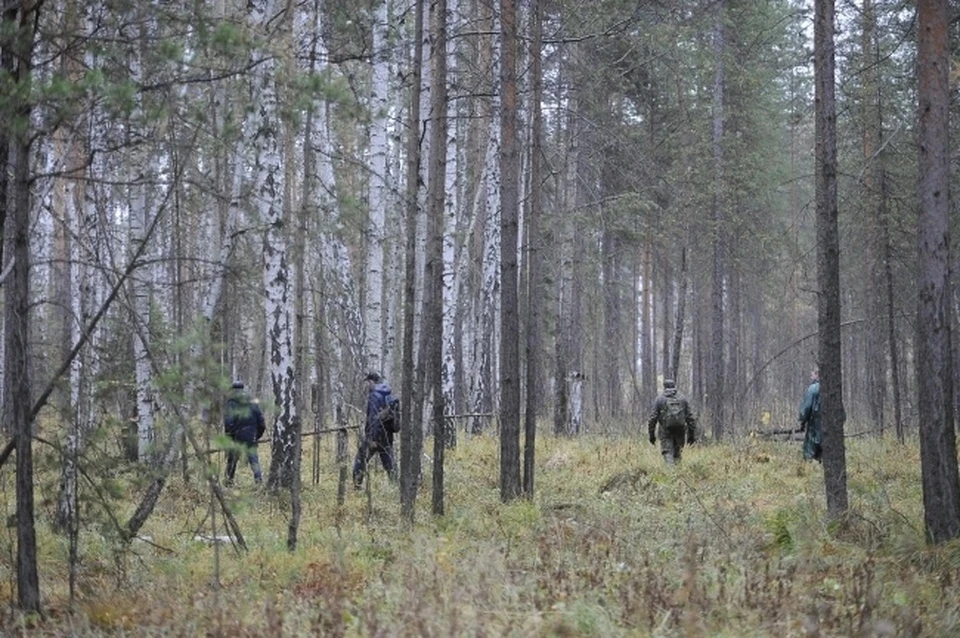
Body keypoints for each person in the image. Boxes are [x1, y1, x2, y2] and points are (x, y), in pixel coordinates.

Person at [353, 371, 397, 489]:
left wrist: (372, 438)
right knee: (389, 464)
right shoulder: (388, 394)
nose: (366, 386)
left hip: (375, 436)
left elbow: (374, 418)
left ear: (371, 381)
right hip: (387, 435)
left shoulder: (374, 395)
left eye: (367, 382)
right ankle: (396, 487)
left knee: (360, 460)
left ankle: (357, 487)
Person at [647, 378, 697, 465]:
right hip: (680, 430)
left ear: (664, 387)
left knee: (667, 453)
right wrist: (691, 435)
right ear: (674, 386)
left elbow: (652, 419)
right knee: (677, 453)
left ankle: (671, 474)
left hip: (665, 431)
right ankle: (677, 475)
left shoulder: (659, 399)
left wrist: (652, 435)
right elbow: (691, 418)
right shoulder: (682, 399)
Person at [224, 381, 265, 486]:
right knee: (254, 460)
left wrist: (230, 435)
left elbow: (229, 422)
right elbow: (261, 422)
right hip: (251, 435)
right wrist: (256, 435)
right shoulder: (253, 401)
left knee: (232, 460)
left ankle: (228, 482)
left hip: (236, 436)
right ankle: (259, 482)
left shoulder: (231, 402)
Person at [797, 369, 822, 462]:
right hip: (830, 425)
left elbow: (807, 406)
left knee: (811, 448)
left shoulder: (813, 388)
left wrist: (802, 420)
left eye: (812, 374)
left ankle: (809, 466)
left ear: (817, 375)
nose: (811, 377)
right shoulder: (832, 387)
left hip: (815, 423)